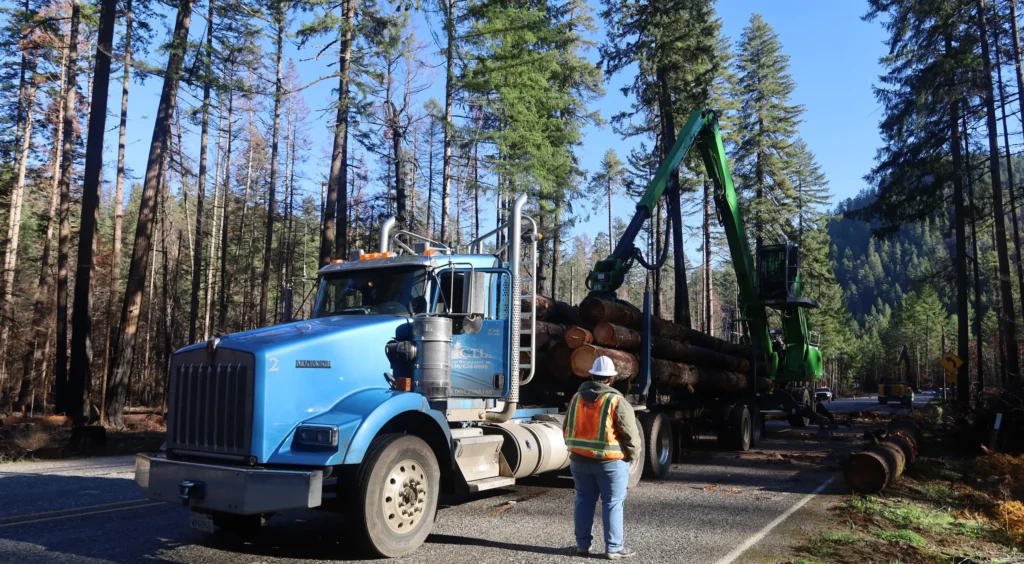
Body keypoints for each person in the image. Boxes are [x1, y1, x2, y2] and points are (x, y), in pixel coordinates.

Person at [563, 355, 642, 559]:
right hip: (610, 463)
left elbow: (566, 427)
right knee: (612, 503)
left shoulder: (576, 398)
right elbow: (631, 435)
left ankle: (582, 546)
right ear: (612, 379)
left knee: (583, 500)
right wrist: (633, 456)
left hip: (580, 460)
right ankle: (614, 548)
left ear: (591, 376)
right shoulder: (616, 400)